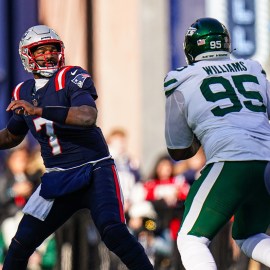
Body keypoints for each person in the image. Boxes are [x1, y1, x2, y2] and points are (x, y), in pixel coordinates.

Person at [1, 25, 154, 270]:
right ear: (27, 56)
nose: (48, 56)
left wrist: (40, 110)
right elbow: (11, 136)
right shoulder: (22, 91)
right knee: (20, 244)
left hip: (93, 170)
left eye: (52, 50)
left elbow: (87, 116)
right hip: (57, 178)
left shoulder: (70, 76)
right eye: (40, 51)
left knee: (113, 231)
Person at [163, 17, 270, 269]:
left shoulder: (181, 78)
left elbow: (178, 149)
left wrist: (204, 134)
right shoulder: (253, 68)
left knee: (191, 239)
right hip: (267, 159)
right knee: (248, 235)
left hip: (230, 160)